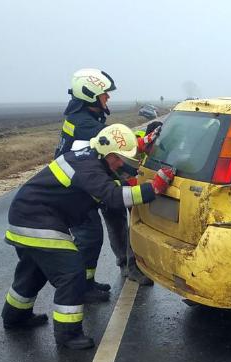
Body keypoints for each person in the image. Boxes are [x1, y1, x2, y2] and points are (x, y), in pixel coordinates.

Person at [2, 124, 175, 349]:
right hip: (37, 220)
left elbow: (105, 186)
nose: (122, 164)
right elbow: (112, 196)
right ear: (109, 154)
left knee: (33, 270)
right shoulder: (88, 167)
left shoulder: (90, 160)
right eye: (120, 159)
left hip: (26, 215)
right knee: (71, 273)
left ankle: (15, 317)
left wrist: (129, 180)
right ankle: (68, 335)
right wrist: (154, 188)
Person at [55, 69, 159, 297]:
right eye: (104, 94)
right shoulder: (86, 124)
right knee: (90, 237)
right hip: (78, 191)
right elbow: (114, 147)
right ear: (91, 96)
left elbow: (106, 152)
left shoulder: (82, 116)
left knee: (110, 219)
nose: (108, 97)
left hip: (84, 183)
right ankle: (83, 287)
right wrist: (136, 173)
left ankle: (103, 276)